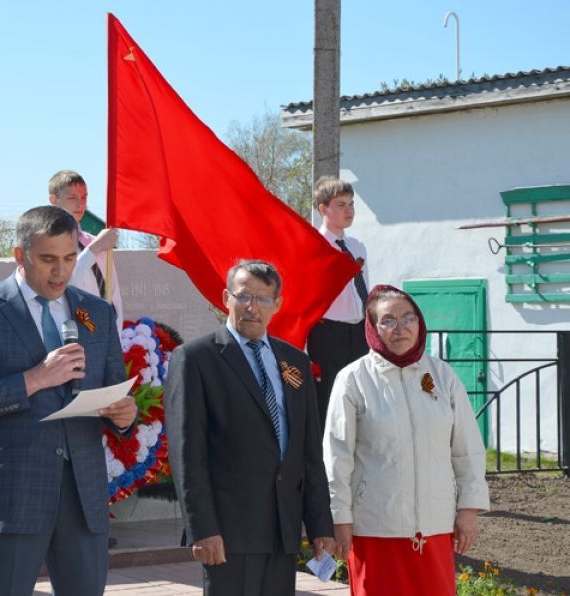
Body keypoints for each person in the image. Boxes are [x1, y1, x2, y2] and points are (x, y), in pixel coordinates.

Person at [0, 205, 138, 595]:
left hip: (83, 500)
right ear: (20, 255)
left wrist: (123, 415)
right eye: (47, 259)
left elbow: (113, 391)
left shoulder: (94, 311)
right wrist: (33, 380)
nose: (60, 271)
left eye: (68, 259)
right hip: (14, 497)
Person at [165, 259, 335, 596]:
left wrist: (320, 525)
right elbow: (187, 453)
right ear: (226, 297)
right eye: (243, 296)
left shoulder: (295, 362)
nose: (252, 307)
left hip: (282, 528)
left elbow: (309, 451)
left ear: (278, 305)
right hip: (228, 531)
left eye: (263, 298)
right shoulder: (196, 358)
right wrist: (202, 528)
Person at [323, 284, 489, 595]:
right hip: (375, 529)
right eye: (388, 320)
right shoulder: (353, 379)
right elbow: (337, 457)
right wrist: (340, 517)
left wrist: (469, 509)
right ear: (372, 327)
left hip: (435, 527)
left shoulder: (443, 377)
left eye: (408, 318)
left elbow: (467, 450)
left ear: (420, 322)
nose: (400, 328)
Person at [306, 176, 369, 426]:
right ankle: (325, 460)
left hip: (358, 329)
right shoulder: (314, 245)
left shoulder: (357, 246)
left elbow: (363, 287)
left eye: (351, 204)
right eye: (341, 205)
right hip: (328, 331)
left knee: (359, 397)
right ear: (323, 209)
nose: (349, 210)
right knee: (330, 399)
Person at [48, 170, 124, 336]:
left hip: (105, 334)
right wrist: (94, 249)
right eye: (72, 197)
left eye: (84, 197)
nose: (80, 204)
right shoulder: (47, 242)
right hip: (72, 334)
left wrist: (116, 333)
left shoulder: (94, 242)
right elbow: (62, 284)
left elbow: (113, 293)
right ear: (54, 200)